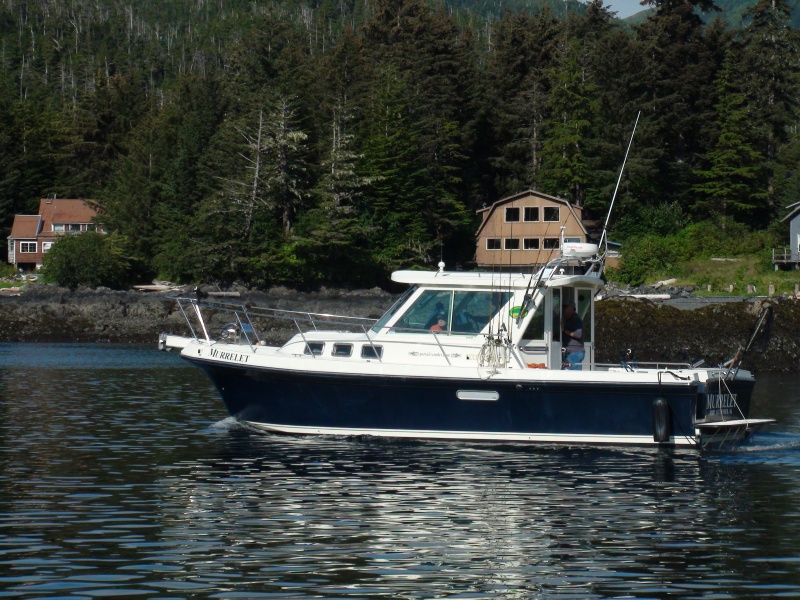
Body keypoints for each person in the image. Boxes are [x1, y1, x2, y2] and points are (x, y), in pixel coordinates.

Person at [561, 301, 584, 370]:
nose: (564, 310)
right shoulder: (570, 319)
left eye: (565, 308)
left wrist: (564, 330)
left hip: (575, 353)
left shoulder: (575, 319)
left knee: (570, 375)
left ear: (571, 309)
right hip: (572, 353)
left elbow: (578, 334)